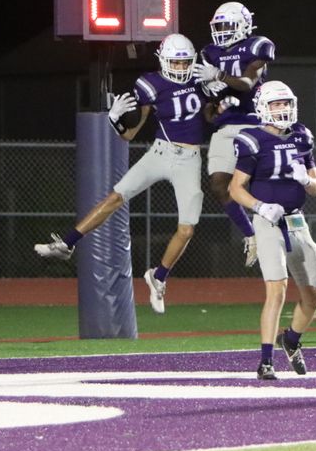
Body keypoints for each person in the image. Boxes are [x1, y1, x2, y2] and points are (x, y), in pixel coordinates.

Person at [33, 33, 208, 315]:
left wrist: (220, 89)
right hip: (160, 153)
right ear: (164, 61)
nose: (180, 68)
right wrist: (114, 120)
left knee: (187, 229)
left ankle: (159, 276)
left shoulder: (201, 79)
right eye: (175, 62)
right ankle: (67, 243)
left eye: (185, 62)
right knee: (116, 197)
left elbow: (211, 114)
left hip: (190, 159)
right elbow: (130, 134)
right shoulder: (151, 84)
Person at [227, 81, 316, 380]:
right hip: (268, 220)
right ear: (262, 108)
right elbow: (235, 188)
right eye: (276, 104)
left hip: (297, 221)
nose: (282, 109)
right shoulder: (252, 140)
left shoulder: (301, 136)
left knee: (314, 297)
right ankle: (265, 361)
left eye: (285, 103)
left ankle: (291, 340)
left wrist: (306, 181)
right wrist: (259, 206)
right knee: (277, 288)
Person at [191, 1, 276, 267]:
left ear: (244, 25)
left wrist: (220, 75)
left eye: (228, 26)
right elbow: (208, 110)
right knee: (219, 185)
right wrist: (211, 102)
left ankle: (276, 228)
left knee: (258, 185)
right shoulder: (210, 52)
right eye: (219, 27)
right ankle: (251, 235)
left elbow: (247, 82)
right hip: (226, 126)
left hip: (252, 124)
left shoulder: (256, 46)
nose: (223, 31)